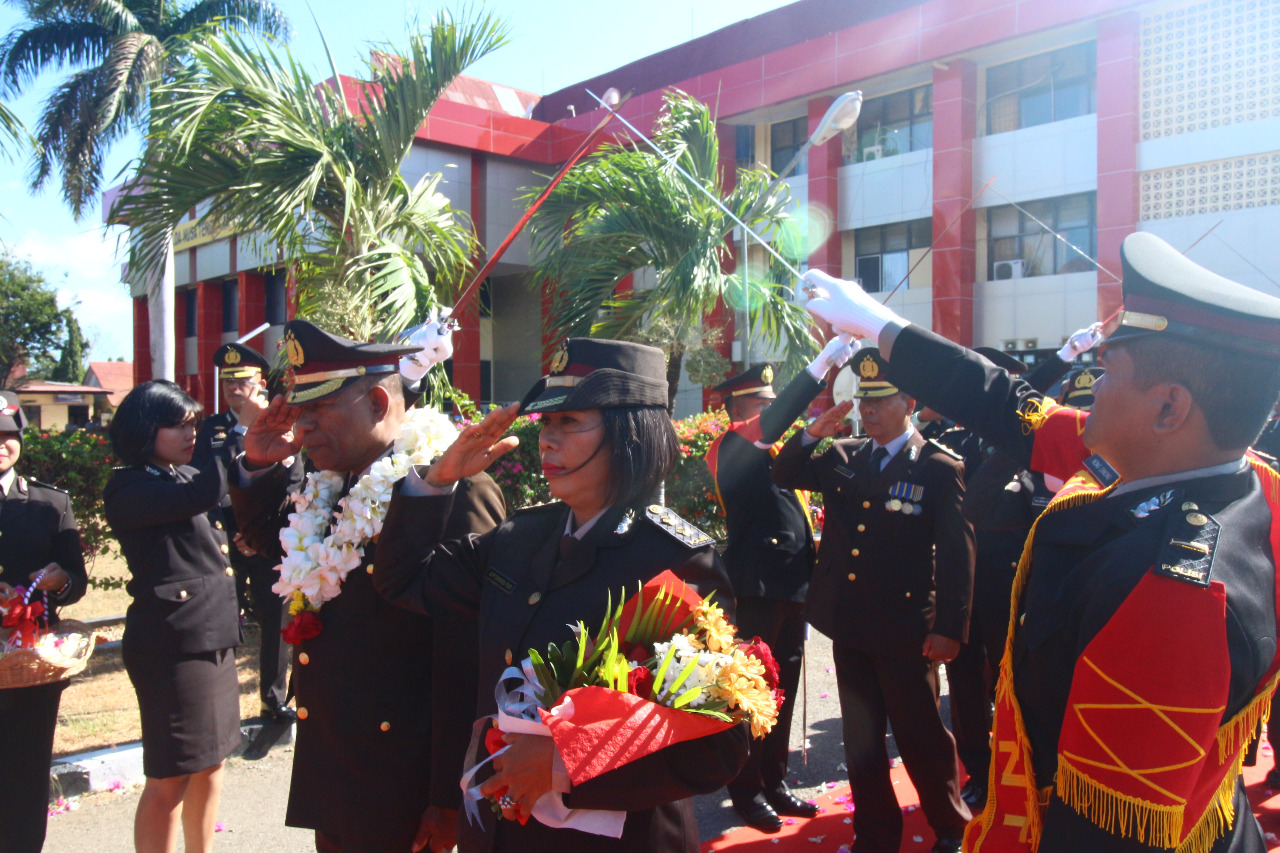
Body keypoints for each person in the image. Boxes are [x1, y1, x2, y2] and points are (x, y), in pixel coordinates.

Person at [801, 230, 1280, 852]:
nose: (1087, 392)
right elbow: (1014, 406)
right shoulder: (1227, 472)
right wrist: (880, 324)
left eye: (1106, 373)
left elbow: (1106, 831)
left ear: (1169, 408)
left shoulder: (1174, 598)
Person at [373, 337, 751, 853]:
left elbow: (719, 745)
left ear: (628, 432)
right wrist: (437, 481)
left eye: (570, 423)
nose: (547, 441)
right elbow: (403, 579)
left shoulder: (675, 560)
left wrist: (565, 765)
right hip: (502, 834)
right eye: (545, 424)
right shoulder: (520, 536)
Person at [230, 319, 506, 853]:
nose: (302, 428)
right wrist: (259, 466)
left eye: (319, 411)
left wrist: (452, 793)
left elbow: (469, 653)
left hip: (404, 778)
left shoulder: (452, 485)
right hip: (334, 765)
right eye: (299, 410)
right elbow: (277, 546)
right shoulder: (330, 482)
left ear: (380, 403)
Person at [771, 347, 975, 853]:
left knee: (921, 735)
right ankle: (875, 834)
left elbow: (956, 552)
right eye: (864, 402)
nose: (869, 412)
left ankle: (950, 827)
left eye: (881, 402)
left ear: (907, 402)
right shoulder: (844, 455)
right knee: (861, 741)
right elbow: (783, 472)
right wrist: (815, 431)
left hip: (907, 629)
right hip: (851, 624)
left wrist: (950, 626)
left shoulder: (936, 467)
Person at [705, 338, 853, 832]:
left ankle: (775, 782)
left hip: (791, 584)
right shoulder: (730, 446)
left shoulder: (775, 452)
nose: (773, 410)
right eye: (764, 405)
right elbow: (781, 422)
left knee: (783, 690)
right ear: (740, 410)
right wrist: (819, 366)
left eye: (773, 404)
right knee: (752, 694)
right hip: (755, 585)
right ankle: (745, 790)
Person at [104, 380, 240, 853]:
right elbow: (203, 495)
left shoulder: (180, 477)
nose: (191, 436)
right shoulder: (129, 484)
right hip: (173, 644)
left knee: (212, 763)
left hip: (212, 633)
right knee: (170, 776)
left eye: (195, 426)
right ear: (145, 430)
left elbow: (220, 499)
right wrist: (224, 445)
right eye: (178, 426)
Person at [192, 342, 294, 755]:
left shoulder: (282, 424)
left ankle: (274, 702)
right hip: (223, 543)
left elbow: (295, 483)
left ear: (261, 383)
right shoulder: (211, 430)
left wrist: (259, 534)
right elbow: (203, 486)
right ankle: (220, 707)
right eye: (227, 381)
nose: (234, 388)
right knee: (221, 625)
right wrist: (232, 533)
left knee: (276, 627)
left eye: (242, 380)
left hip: (269, 542)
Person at [0, 390, 88, 853]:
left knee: (26, 774)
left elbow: (78, 580)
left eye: (9, 434)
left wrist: (59, 581)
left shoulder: (50, 504)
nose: (1, 443)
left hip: (31, 666)